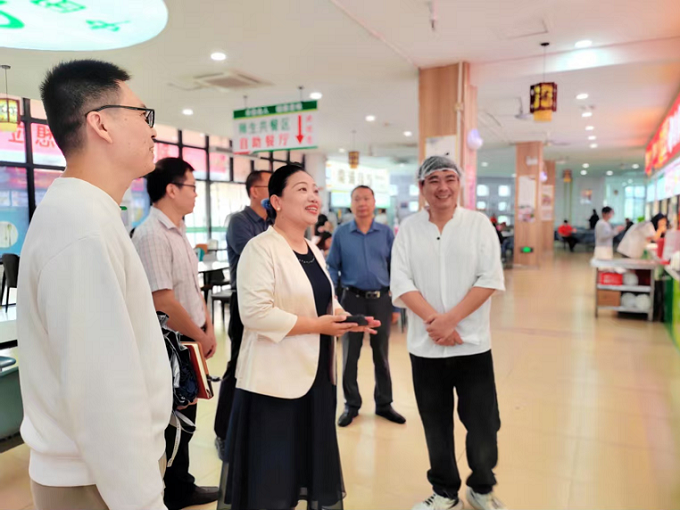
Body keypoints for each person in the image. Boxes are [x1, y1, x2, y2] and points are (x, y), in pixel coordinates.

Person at [17, 60, 172, 510]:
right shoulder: (81, 228)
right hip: (96, 482)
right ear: (100, 123)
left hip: (102, 475)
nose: (152, 129)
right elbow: (102, 394)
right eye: (143, 115)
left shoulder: (87, 213)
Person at [221, 164, 380, 509]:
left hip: (316, 379)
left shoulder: (313, 250)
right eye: (302, 189)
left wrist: (346, 319)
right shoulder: (261, 248)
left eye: (315, 190)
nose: (313, 197)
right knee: (272, 481)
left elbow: (325, 301)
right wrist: (318, 326)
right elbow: (255, 314)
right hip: (274, 384)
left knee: (301, 471)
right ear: (276, 201)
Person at [391, 156, 506, 510]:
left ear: (459, 183)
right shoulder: (409, 229)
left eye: (449, 178)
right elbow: (401, 282)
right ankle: (444, 492)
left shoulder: (478, 225)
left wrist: (451, 320)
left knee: (484, 424)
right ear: (421, 186)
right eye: (434, 180)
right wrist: (436, 322)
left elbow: (490, 278)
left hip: (472, 346)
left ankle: (481, 487)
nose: (443, 187)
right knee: (435, 424)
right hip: (426, 349)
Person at [132, 158, 219, 510]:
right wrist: (199, 333)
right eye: (192, 187)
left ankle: (181, 486)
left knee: (188, 414)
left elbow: (191, 287)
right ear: (171, 189)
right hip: (171, 343)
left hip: (190, 338)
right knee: (175, 418)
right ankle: (171, 491)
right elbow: (163, 299)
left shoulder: (178, 231)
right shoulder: (152, 234)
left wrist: (207, 326)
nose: (196, 194)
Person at [327, 185, 405, 427]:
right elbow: (332, 267)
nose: (362, 203)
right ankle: (351, 405)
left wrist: (396, 307)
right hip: (351, 300)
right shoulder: (341, 233)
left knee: (381, 355)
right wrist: (332, 299)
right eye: (357, 199)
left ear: (374, 202)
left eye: (366, 198)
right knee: (350, 355)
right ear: (351, 204)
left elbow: (396, 269)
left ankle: (384, 404)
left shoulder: (386, 233)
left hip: (381, 300)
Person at [213, 169, 272, 456]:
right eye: (269, 186)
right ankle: (223, 432)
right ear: (255, 191)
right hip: (244, 302)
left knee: (263, 365)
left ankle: (254, 429)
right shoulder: (240, 221)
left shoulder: (272, 222)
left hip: (271, 303)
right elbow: (258, 257)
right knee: (237, 365)